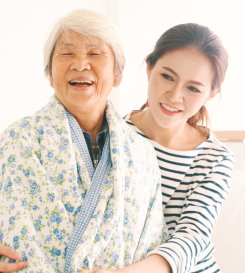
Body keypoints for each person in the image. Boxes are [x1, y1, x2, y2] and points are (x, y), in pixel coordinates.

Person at [0, 10, 168, 273]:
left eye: (95, 54)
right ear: (50, 74)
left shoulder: (142, 155)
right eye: (67, 54)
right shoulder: (16, 141)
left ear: (117, 74)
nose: (80, 64)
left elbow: (152, 240)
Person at [80, 23, 234, 273]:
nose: (174, 96)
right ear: (150, 67)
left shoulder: (214, 159)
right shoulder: (110, 133)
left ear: (211, 93)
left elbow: (191, 238)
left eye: (193, 88)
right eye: (167, 76)